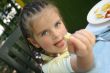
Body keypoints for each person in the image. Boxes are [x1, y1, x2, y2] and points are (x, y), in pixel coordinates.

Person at [18, 0, 95, 73]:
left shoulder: (65, 37)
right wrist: (85, 53)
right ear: (34, 42)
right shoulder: (50, 68)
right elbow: (82, 66)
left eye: (57, 24)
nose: (56, 34)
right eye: (45, 33)